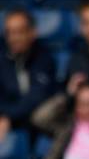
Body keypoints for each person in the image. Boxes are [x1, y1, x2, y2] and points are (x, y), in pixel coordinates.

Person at [0, 9, 55, 143]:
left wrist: (8, 116)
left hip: (38, 124)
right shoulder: (1, 59)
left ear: (32, 32)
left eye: (20, 32)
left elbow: (36, 99)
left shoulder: (44, 59)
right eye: (10, 33)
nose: (14, 38)